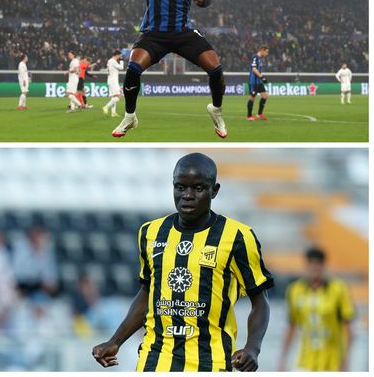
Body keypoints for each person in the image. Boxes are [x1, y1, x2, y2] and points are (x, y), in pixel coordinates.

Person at [92, 152, 273, 371]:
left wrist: (253, 347)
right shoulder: (151, 233)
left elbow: (260, 301)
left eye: (198, 188)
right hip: (155, 358)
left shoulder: (237, 237)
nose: (187, 195)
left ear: (214, 191)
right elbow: (148, 293)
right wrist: (116, 341)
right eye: (180, 187)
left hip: (211, 361)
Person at [108, 0, 227, 138]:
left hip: (183, 33)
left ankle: (216, 110)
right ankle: (129, 116)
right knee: (133, 68)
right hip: (154, 34)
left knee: (215, 68)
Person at [278, 247, 354, 371]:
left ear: (324, 266)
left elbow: (348, 329)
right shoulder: (295, 290)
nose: (315, 268)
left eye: (318, 264)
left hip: (332, 360)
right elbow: (292, 325)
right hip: (305, 361)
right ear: (306, 266)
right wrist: (283, 359)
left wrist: (345, 362)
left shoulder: (338, 289)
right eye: (311, 264)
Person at [247, 45, 270, 120]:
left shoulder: (260, 59)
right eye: (266, 52)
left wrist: (261, 78)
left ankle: (259, 114)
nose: (267, 54)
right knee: (252, 97)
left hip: (259, 82)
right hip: (253, 82)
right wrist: (262, 77)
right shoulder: (255, 57)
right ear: (262, 50)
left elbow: (258, 70)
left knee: (265, 95)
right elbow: (254, 69)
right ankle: (249, 116)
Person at [102, 50, 125, 117]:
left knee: (114, 97)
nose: (120, 57)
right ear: (117, 55)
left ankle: (113, 113)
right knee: (118, 96)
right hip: (113, 81)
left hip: (111, 80)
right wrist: (121, 60)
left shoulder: (110, 61)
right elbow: (121, 67)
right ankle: (106, 107)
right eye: (120, 56)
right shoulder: (113, 61)